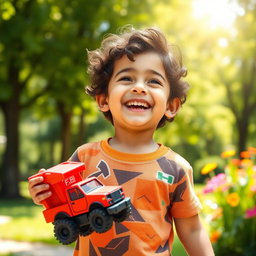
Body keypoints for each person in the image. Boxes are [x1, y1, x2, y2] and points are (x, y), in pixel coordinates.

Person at [28, 26, 215, 256]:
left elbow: (193, 230)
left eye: (153, 81)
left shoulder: (175, 168)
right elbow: (60, 195)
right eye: (126, 78)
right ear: (104, 99)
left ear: (171, 106)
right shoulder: (84, 157)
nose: (138, 87)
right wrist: (42, 193)